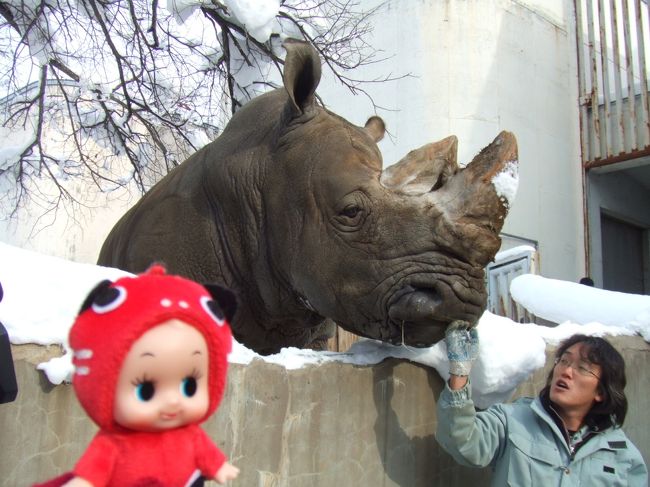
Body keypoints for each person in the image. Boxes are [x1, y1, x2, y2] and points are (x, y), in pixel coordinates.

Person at [34, 265, 240, 487]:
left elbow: (205, 453)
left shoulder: (190, 436)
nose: (172, 401)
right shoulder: (114, 444)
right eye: (146, 389)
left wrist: (218, 467)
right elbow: (95, 470)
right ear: (104, 385)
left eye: (189, 386)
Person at [436, 321, 648, 486]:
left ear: (601, 391)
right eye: (564, 361)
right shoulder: (513, 420)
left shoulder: (623, 457)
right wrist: (460, 373)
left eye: (582, 368)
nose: (566, 371)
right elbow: (463, 442)